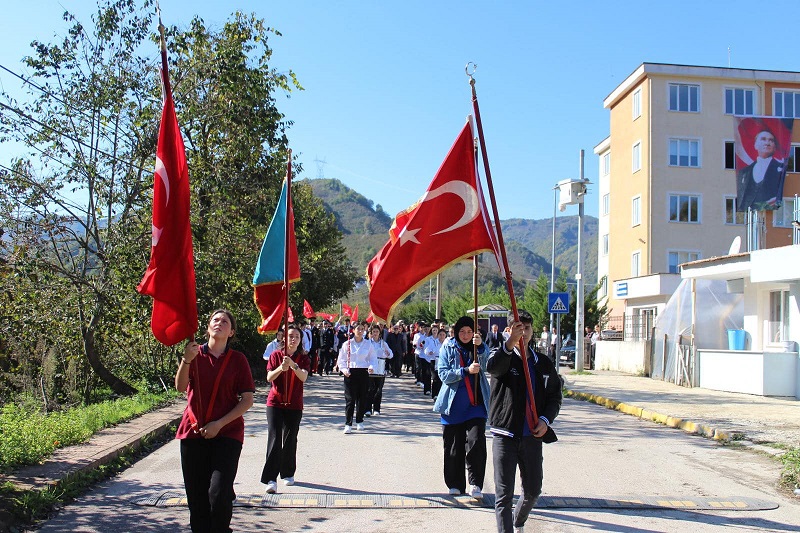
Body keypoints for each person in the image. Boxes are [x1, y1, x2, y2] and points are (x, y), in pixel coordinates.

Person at [175, 309, 255, 533]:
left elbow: (247, 400)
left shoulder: (238, 360)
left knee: (218, 494)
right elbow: (181, 387)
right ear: (207, 327)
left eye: (225, 321)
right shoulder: (193, 354)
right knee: (197, 498)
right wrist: (186, 360)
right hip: (192, 433)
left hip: (227, 434)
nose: (219, 323)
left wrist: (219, 424)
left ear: (231, 332)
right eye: (215, 320)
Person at [487, 310, 562, 533]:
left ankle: (518, 521)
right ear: (509, 330)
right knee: (503, 496)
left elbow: (554, 397)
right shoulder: (500, 356)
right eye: (519, 328)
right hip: (505, 435)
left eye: (527, 328)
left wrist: (546, 420)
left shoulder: (543, 364)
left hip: (532, 435)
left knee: (532, 490)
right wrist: (509, 344)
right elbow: (493, 368)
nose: (524, 332)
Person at [433, 316, 490, 499]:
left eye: (469, 331)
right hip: (453, 404)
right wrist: (464, 371)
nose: (465, 335)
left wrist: (480, 347)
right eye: (462, 332)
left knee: (476, 442)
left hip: (476, 405)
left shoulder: (478, 346)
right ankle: (455, 483)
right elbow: (443, 374)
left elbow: (488, 363)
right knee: (453, 446)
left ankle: (476, 483)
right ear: (456, 332)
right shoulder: (448, 347)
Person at [260, 323, 310, 494]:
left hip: (294, 403)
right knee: (274, 438)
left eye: (297, 336)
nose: (293, 339)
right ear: (284, 338)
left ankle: (287, 473)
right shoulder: (275, 355)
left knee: (290, 439)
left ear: (300, 340)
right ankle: (270, 478)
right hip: (275, 402)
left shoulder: (303, 358)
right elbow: (269, 377)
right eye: (290, 336)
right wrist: (281, 368)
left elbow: (303, 377)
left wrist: (294, 365)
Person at [337, 322, 378, 433]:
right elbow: (341, 360)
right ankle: (348, 423)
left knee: (362, 398)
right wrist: (344, 370)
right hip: (350, 373)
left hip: (363, 372)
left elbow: (373, 358)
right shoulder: (347, 344)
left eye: (362, 329)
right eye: (358, 329)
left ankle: (359, 421)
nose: (360, 331)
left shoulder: (368, 344)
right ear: (353, 330)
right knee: (350, 399)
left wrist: (371, 367)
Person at [737, 129, 786, 211]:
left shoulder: (781, 170)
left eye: (771, 140)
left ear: (774, 147)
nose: (767, 143)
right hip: (747, 216)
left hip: (769, 215)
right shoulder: (744, 172)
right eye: (763, 139)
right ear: (755, 145)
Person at [366, 324, 393, 416]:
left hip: (380, 368)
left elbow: (391, 355)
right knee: (369, 389)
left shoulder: (383, 343)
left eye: (377, 332)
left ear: (379, 333)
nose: (375, 333)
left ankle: (377, 409)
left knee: (379, 390)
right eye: (373, 332)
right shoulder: (368, 343)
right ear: (371, 333)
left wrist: (387, 353)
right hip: (371, 368)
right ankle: (368, 409)